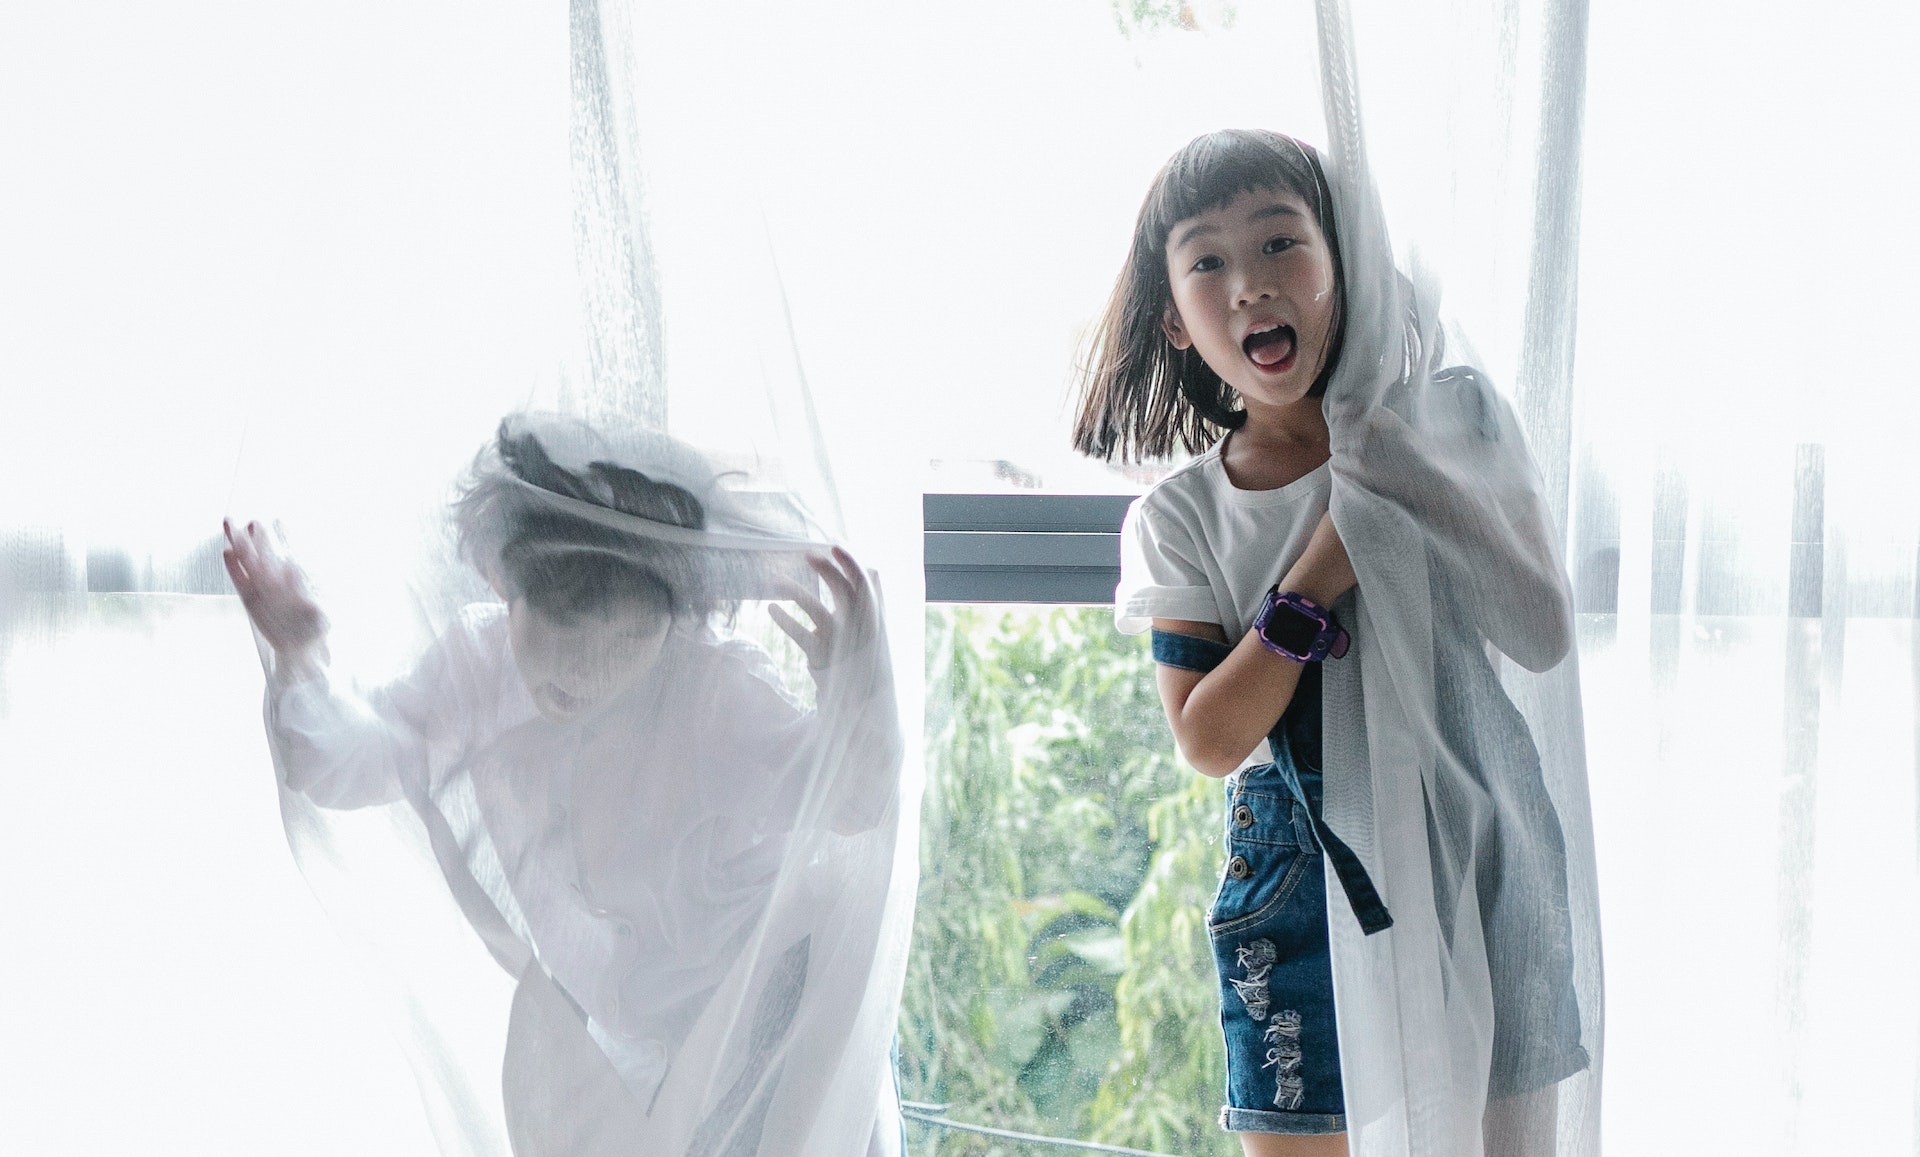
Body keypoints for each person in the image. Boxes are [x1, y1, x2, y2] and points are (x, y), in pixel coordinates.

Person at [1071, 129, 1588, 1156]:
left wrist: (1413, 479)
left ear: (1342, 270)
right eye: (1208, 261)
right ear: (1175, 321)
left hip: (1483, 819)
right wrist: (1323, 566)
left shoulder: (1449, 420)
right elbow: (1210, 737)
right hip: (1302, 857)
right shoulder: (1184, 515)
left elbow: (1539, 629)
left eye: (1279, 244)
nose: (1251, 286)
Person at [222, 413, 904, 1155]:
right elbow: (349, 761)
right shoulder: (477, 671)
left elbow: (857, 802)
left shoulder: (713, 692)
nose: (583, 668)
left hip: (772, 998)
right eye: (558, 629)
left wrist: (854, 683)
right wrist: (299, 651)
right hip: (635, 1037)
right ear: (502, 583)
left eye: (626, 638)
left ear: (675, 623)